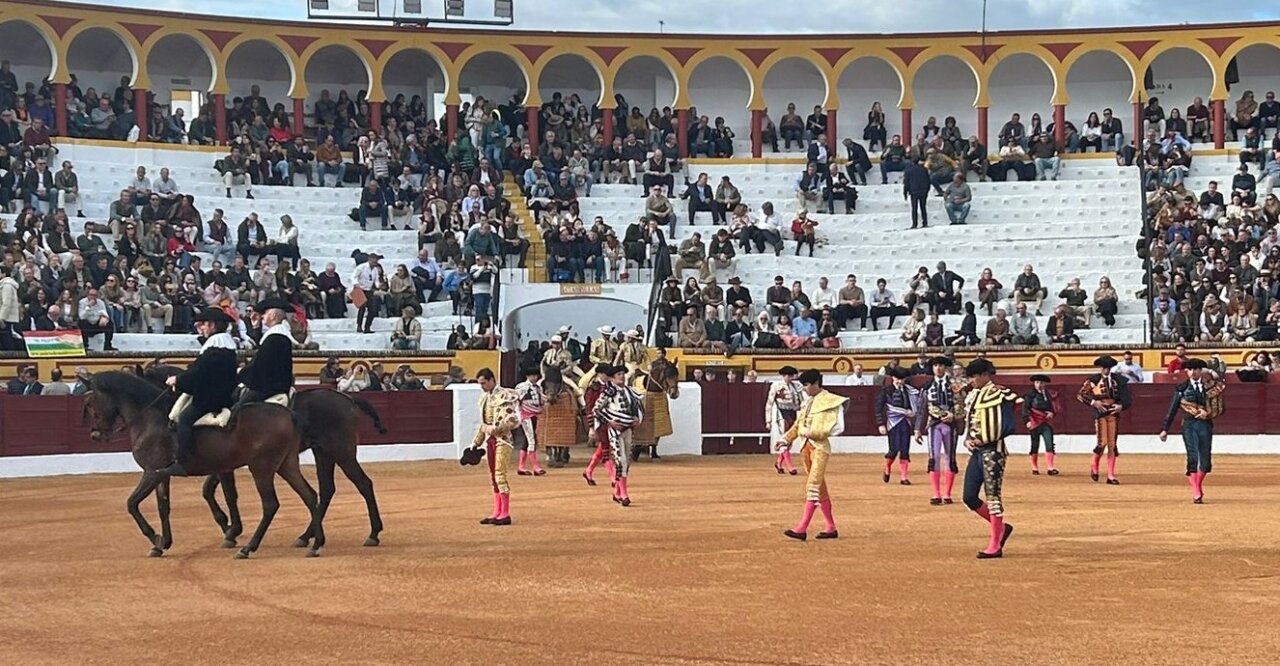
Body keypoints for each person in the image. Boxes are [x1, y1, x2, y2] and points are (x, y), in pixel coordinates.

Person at [162, 309, 238, 477]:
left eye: (203, 325)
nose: (201, 328)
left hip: (210, 398)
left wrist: (178, 381)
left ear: (211, 325)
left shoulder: (213, 347)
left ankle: (183, 462)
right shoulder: (226, 345)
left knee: (184, 420)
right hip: (225, 395)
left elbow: (200, 375)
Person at [959, 358, 1021, 559]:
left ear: (985, 375)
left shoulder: (998, 393)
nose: (972, 380)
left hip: (994, 451)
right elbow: (970, 423)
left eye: (975, 376)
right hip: (977, 451)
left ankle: (995, 545)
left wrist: (982, 439)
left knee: (993, 497)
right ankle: (1002, 528)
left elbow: (1007, 421)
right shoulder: (973, 395)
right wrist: (968, 439)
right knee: (969, 496)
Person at [776, 369, 847, 541]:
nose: (805, 389)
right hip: (806, 448)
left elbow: (838, 427)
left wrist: (813, 432)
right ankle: (831, 527)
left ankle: (801, 528)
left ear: (816, 383)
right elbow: (798, 425)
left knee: (813, 487)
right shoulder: (808, 402)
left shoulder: (830, 400)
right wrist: (786, 439)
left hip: (820, 448)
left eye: (807, 385)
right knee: (820, 489)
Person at [1157, 357, 1225, 504]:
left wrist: (1208, 413)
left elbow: (1220, 408)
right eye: (1190, 369)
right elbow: (1172, 409)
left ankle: (1197, 485)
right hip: (1189, 425)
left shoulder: (1210, 387)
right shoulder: (1181, 388)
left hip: (1205, 425)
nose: (1193, 372)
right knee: (1192, 456)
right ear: (1186, 371)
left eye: (1196, 369)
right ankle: (1196, 492)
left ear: (1201, 371)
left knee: (1205, 462)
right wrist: (1165, 429)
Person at [470, 368, 520, 526]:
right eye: (480, 384)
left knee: (500, 475)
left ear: (492, 380)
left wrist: (495, 429)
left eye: (484, 383)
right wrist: (475, 443)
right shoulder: (485, 398)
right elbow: (483, 424)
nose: (482, 387)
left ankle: (505, 513)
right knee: (493, 477)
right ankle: (497, 512)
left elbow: (512, 420)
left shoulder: (505, 395)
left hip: (503, 440)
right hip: (491, 440)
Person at [594, 365, 645, 507]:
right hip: (614, 431)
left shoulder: (630, 391)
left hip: (628, 429)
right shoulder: (608, 393)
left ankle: (617, 493)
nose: (622, 376)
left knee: (626, 462)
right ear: (612, 378)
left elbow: (640, 407)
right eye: (619, 374)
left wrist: (638, 419)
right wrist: (609, 421)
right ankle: (624, 494)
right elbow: (596, 410)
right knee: (621, 461)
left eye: (623, 374)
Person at [1078, 355, 1133, 485]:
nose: (1106, 370)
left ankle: (1110, 476)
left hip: (1113, 413)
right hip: (1100, 413)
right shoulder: (1093, 380)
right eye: (1104, 368)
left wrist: (1121, 406)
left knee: (1112, 445)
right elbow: (1080, 395)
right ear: (1100, 368)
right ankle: (1094, 467)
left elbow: (1128, 399)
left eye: (1108, 368)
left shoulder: (1119, 380)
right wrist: (1094, 403)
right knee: (1102, 443)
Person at [915, 356, 960, 506]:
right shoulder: (927, 386)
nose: (938, 368)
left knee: (950, 458)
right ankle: (936, 493)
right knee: (934, 458)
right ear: (932, 368)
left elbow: (962, 405)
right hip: (934, 425)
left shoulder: (954, 385)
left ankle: (947, 493)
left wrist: (954, 415)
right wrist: (917, 429)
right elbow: (921, 409)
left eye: (941, 365)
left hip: (950, 425)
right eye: (935, 366)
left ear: (945, 368)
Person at [237, 298, 295, 404]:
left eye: (264, 313)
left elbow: (260, 364)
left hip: (266, 388)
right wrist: (256, 328)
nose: (262, 316)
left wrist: (240, 373)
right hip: (276, 385)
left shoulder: (274, 338)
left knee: (236, 411)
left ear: (273, 315)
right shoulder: (278, 335)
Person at [875, 366, 919, 485]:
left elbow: (913, 406)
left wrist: (911, 412)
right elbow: (878, 408)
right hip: (893, 424)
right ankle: (887, 468)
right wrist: (880, 424)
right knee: (893, 450)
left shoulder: (908, 391)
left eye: (902, 379)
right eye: (898, 378)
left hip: (905, 423)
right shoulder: (887, 391)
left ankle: (904, 477)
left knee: (905, 449)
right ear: (893, 378)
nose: (900, 381)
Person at [538, 365, 583, 468]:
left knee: (577, 389)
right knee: (537, 386)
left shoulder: (565, 354)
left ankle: (582, 406)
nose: (555, 346)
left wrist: (563, 370)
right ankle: (551, 453)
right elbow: (543, 366)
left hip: (561, 375)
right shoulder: (548, 355)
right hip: (548, 376)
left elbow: (569, 366)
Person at [766, 366, 803, 476]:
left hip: (793, 413)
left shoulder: (797, 386)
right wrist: (768, 420)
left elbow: (802, 402)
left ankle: (778, 463)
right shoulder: (776, 386)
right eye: (790, 376)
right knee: (784, 440)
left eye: (793, 376)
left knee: (789, 441)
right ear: (784, 376)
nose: (792, 378)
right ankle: (790, 466)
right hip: (781, 413)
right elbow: (769, 403)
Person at [1023, 374, 1060, 476]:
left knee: (1049, 443)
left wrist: (1052, 413)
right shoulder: (1030, 395)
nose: (1039, 385)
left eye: (1041, 383)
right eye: (1037, 382)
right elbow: (1025, 409)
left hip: (1046, 422)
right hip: (1034, 422)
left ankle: (1050, 467)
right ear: (1034, 383)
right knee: (1035, 445)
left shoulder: (1049, 394)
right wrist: (1027, 421)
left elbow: (1054, 407)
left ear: (1045, 384)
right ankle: (1034, 468)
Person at [513, 367, 547, 477]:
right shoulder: (522, 387)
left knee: (527, 441)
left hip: (534, 415)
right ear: (527, 376)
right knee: (531, 441)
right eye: (532, 375)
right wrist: (519, 416)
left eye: (536, 375)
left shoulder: (538, 387)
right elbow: (516, 401)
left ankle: (521, 467)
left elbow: (541, 399)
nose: (535, 377)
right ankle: (536, 467)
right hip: (525, 416)